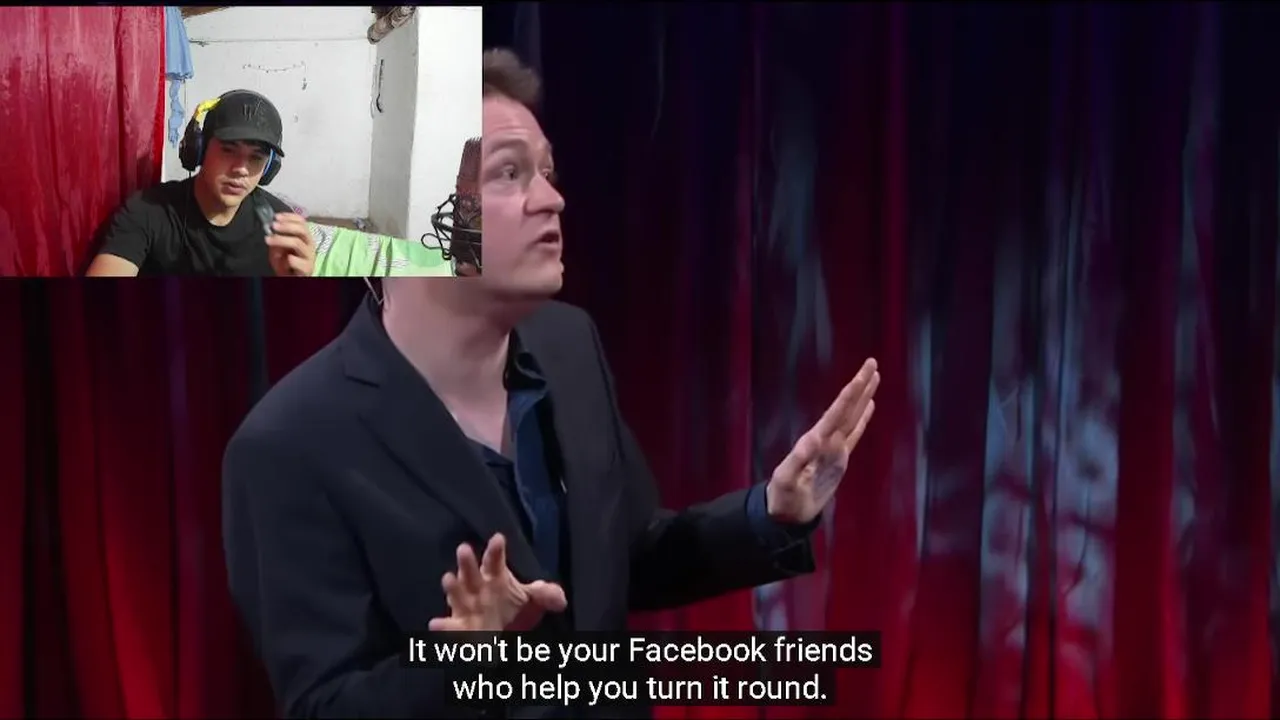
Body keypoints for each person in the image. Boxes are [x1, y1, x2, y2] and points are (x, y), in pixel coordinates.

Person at [220, 49, 880, 718]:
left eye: (547, 172)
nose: (553, 199)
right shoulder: (289, 444)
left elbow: (627, 555)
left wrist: (771, 512)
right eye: (509, 173)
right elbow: (324, 705)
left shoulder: (568, 347)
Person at [85, 89, 316, 277]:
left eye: (256, 157)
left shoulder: (281, 227)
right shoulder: (147, 211)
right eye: (228, 150)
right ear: (199, 148)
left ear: (269, 168)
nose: (241, 169)